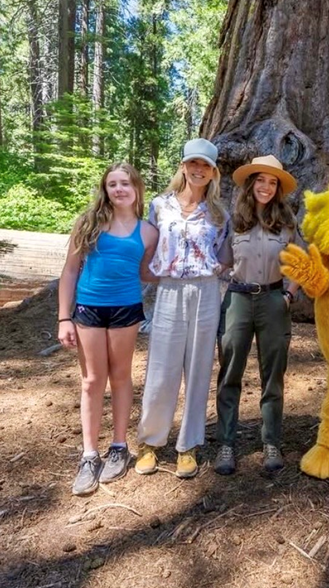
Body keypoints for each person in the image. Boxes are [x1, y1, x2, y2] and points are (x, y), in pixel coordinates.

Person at [58, 162, 158, 496]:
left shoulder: (148, 232)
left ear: (137, 189)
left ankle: (119, 447)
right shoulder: (88, 223)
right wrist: (64, 317)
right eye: (112, 184)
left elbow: (147, 273)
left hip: (126, 311)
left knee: (120, 377)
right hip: (88, 309)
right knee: (91, 381)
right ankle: (89, 455)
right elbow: (70, 271)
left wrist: (187, 272)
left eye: (125, 183)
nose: (118, 189)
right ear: (105, 189)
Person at [135, 138, 229, 478]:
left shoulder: (219, 213)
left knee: (199, 367)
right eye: (193, 163)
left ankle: (188, 445)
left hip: (206, 291)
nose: (198, 170)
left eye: (205, 165)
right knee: (161, 367)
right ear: (183, 166)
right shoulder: (160, 206)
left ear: (213, 172)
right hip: (170, 290)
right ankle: (150, 442)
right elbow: (148, 247)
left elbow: (226, 255)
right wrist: (147, 274)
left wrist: (223, 270)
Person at [213, 155, 302, 474]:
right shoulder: (234, 220)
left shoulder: (288, 222)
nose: (266, 186)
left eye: (272, 182)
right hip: (237, 299)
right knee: (230, 371)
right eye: (261, 180)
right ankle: (225, 443)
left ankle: (271, 441)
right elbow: (220, 261)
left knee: (273, 373)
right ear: (251, 184)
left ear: (278, 188)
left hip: (273, 301)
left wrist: (289, 294)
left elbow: (300, 263)